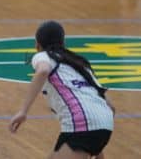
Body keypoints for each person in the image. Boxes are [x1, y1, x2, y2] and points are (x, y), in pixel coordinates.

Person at [9, 21, 115, 159]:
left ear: (37, 45)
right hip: (104, 124)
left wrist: (23, 111)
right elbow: (111, 107)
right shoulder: (79, 64)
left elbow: (43, 71)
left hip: (81, 126)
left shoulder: (43, 56)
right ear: (63, 42)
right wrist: (95, 143)